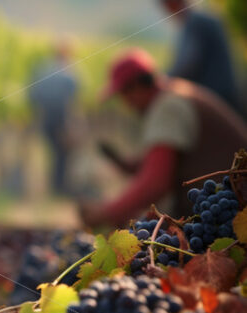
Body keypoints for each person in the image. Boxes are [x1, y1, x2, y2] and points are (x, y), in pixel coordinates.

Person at [79, 48, 247, 227]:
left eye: (124, 95)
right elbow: (165, 161)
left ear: (137, 86)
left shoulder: (168, 107)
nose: (125, 103)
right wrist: (127, 164)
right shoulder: (177, 91)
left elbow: (156, 182)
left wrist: (105, 213)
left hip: (231, 217)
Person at [160, 0, 243, 116]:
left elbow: (189, 64)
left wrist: (163, 82)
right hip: (223, 96)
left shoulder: (195, 22)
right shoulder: (198, 21)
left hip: (219, 98)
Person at [28, 41, 77, 195]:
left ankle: (55, 186)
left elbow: (33, 95)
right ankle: (58, 187)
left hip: (45, 117)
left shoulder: (43, 70)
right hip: (61, 118)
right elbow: (71, 101)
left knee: (55, 152)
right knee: (62, 153)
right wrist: (70, 124)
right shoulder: (69, 73)